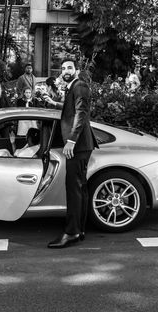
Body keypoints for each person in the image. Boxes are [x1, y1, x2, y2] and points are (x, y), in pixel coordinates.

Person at [44, 58, 98, 249]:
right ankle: (80, 230)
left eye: (70, 67)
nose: (66, 70)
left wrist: (71, 141)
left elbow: (81, 114)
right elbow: (72, 110)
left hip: (79, 145)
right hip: (82, 146)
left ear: (76, 70)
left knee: (74, 189)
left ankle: (71, 232)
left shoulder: (80, 85)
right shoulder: (73, 87)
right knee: (80, 188)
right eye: (64, 68)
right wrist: (54, 104)